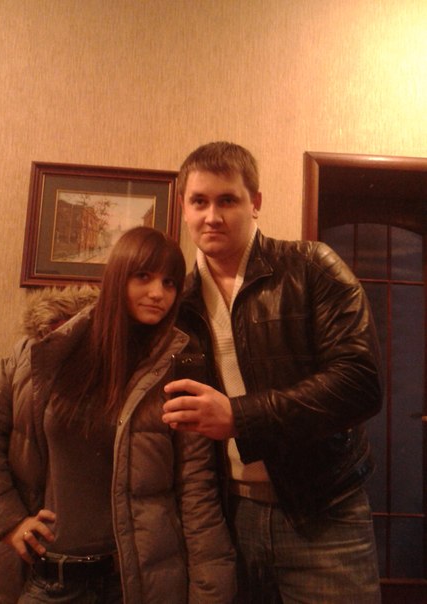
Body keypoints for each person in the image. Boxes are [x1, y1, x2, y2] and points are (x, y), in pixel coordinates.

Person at [162, 142, 383, 603]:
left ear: (255, 202)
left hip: (325, 512)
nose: (212, 216)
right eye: (199, 201)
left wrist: (239, 417)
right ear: (183, 207)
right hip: (227, 518)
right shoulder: (178, 302)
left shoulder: (311, 267)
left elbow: (359, 382)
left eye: (227, 200)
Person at [0, 226, 236, 604]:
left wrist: (210, 591)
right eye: (143, 276)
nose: (158, 293)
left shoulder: (177, 369)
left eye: (170, 283)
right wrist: (9, 520)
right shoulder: (46, 352)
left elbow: (196, 490)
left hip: (133, 584)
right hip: (47, 581)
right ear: (117, 278)